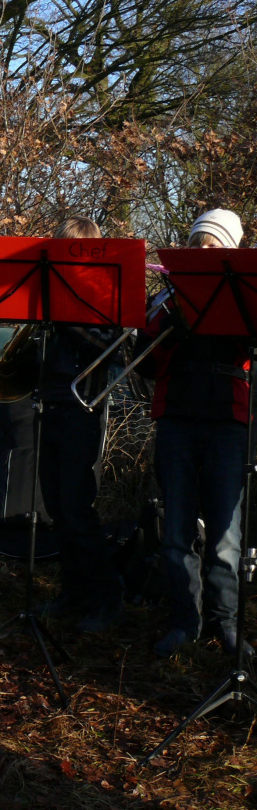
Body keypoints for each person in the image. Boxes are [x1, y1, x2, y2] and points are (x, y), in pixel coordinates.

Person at [136, 208, 252, 657]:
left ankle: (226, 624)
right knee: (176, 527)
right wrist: (170, 327)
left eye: (214, 242)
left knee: (226, 534)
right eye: (199, 240)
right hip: (177, 419)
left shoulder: (244, 292)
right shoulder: (167, 296)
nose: (205, 248)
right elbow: (143, 364)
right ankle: (185, 621)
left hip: (229, 421)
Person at [34, 216, 124, 632]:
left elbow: (114, 349)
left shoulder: (105, 296)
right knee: (55, 506)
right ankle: (72, 592)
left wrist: (67, 319)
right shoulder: (45, 294)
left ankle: (105, 597)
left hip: (82, 406)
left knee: (76, 506)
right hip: (49, 404)